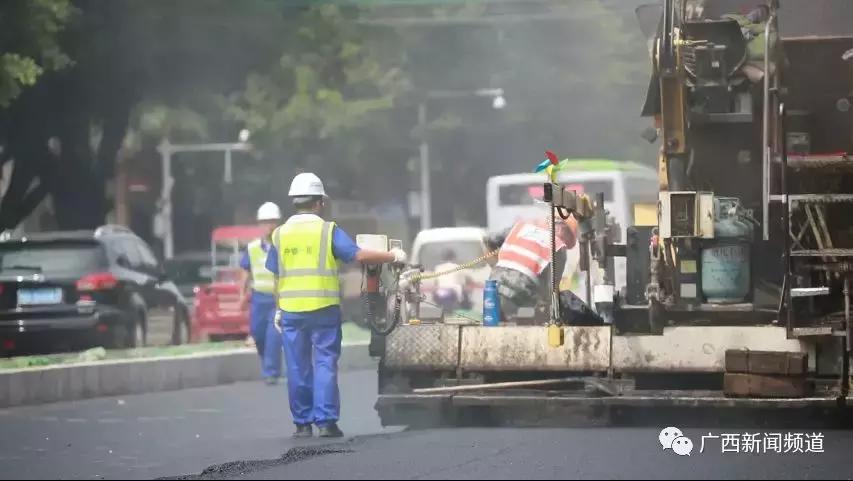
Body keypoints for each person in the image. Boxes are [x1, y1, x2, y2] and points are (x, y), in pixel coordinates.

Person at [266, 172, 406, 439]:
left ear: (294, 201)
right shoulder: (327, 230)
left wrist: (278, 309)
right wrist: (393, 255)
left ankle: (302, 424)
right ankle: (327, 423)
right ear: (319, 202)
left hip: (292, 312)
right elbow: (359, 255)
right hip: (323, 309)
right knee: (325, 364)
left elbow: (276, 276)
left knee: (297, 367)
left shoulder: (280, 235)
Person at [488, 211, 601, 324]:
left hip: (493, 287)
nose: (565, 243)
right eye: (568, 238)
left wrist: (500, 266)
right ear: (561, 229)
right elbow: (553, 292)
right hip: (522, 294)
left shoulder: (521, 227)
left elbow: (489, 240)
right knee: (545, 311)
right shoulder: (558, 246)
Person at [239, 202, 284, 385]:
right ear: (259, 224)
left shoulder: (284, 246)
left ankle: (271, 372)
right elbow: (245, 270)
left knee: (274, 335)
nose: (269, 226)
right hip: (258, 299)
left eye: (273, 221)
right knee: (258, 334)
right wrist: (242, 295)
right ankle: (268, 363)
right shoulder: (252, 248)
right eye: (265, 222)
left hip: (277, 300)